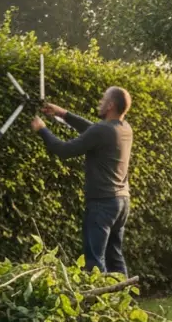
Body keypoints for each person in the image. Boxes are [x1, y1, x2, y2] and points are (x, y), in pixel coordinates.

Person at [31, 87, 133, 274]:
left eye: (103, 99)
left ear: (110, 105)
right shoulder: (124, 128)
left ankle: (99, 302)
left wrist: (42, 130)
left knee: (94, 261)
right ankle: (126, 301)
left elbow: (64, 150)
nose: (100, 102)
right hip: (121, 202)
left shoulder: (103, 130)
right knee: (115, 257)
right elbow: (92, 129)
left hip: (102, 203)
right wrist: (63, 113)